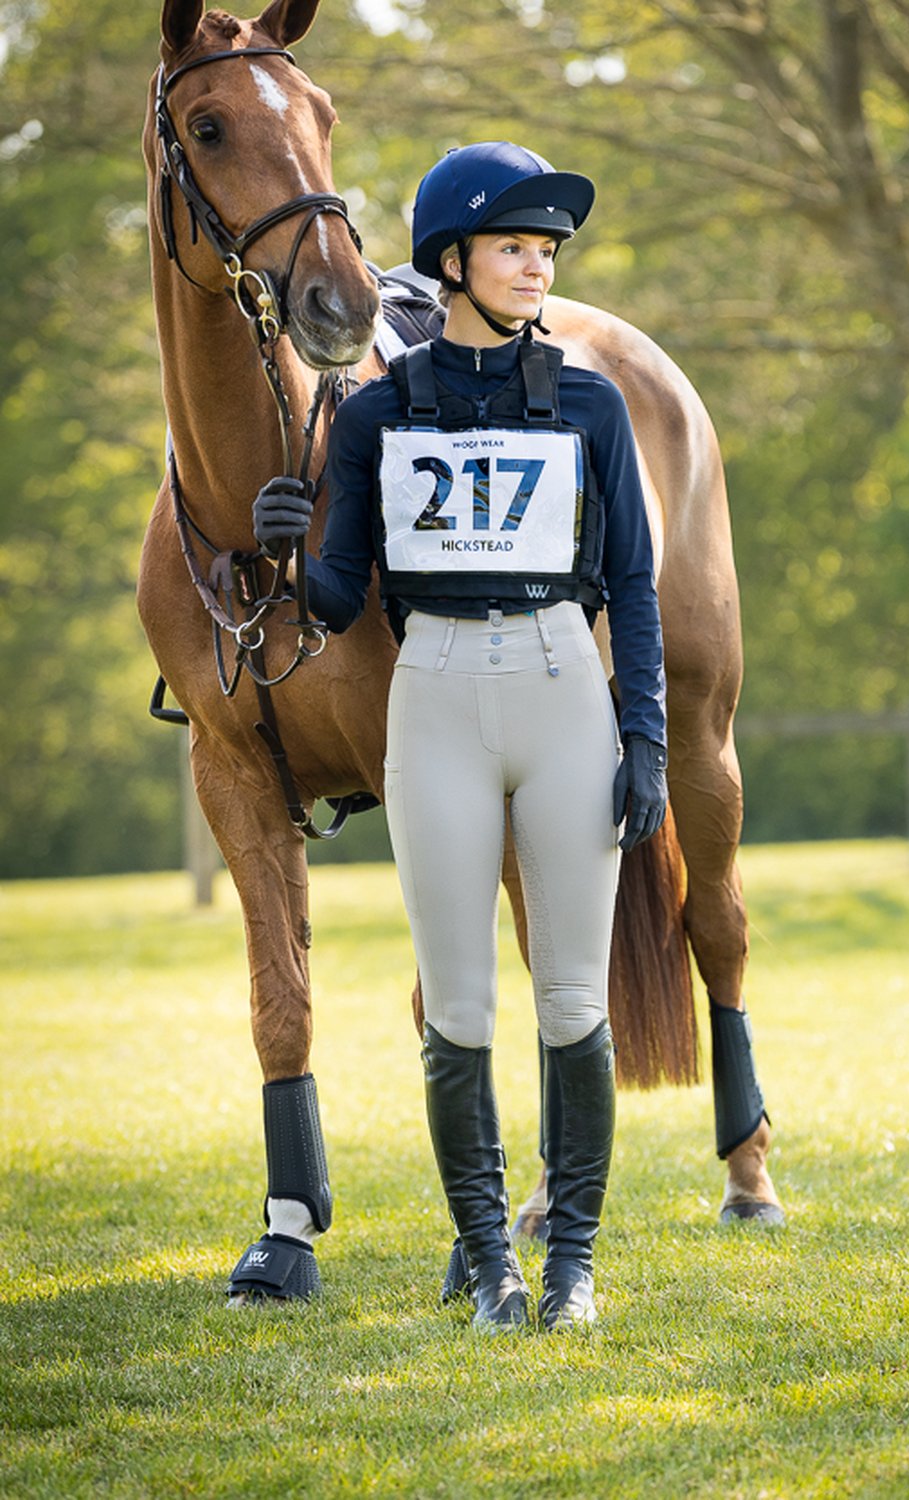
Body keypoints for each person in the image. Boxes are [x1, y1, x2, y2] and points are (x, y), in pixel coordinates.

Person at [252, 141, 669, 1332]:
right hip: (430, 695)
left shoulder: (590, 399)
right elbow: (339, 598)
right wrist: (287, 546)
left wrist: (644, 737)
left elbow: (631, 585)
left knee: (574, 1001)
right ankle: (489, 1264)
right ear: (452, 260)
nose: (539, 267)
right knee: (460, 1007)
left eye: (547, 251)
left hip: (562, 692)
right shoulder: (379, 411)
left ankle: (573, 1266)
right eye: (514, 247)